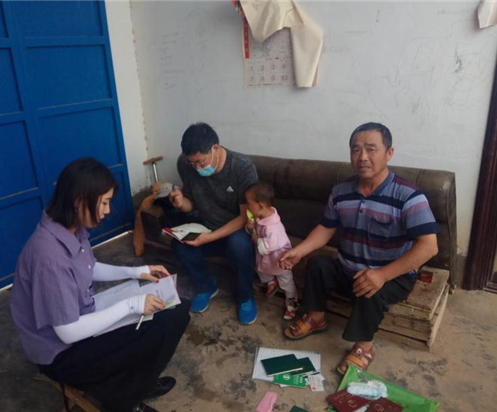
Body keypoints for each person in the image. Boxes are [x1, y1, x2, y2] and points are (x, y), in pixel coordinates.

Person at [10, 158, 191, 412]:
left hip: (84, 316)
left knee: (176, 307)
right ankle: (125, 399)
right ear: (79, 200)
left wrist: (137, 272)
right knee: (164, 323)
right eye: (104, 202)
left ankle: (138, 382)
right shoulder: (48, 256)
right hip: (63, 354)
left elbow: (89, 267)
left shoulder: (68, 226)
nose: (107, 211)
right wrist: (132, 304)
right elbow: (68, 332)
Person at [278, 122, 439, 375]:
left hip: (391, 277)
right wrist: (299, 251)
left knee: (371, 286)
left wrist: (382, 275)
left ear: (389, 153)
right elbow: (326, 227)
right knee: (318, 264)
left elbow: (429, 247)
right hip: (348, 269)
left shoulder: (409, 196)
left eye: (371, 149)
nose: (362, 157)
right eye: (355, 149)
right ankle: (316, 317)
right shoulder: (341, 192)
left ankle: (365, 346)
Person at [169, 122, 259, 324]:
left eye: (201, 162)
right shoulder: (187, 165)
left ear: (215, 148)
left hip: (237, 230)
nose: (197, 168)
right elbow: (191, 204)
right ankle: (206, 286)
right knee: (179, 244)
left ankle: (245, 296)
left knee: (238, 244)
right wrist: (181, 203)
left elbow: (245, 217)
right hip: (206, 226)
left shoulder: (242, 167)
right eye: (192, 163)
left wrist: (209, 238)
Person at [244, 181, 299, 320]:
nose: (247, 206)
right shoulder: (260, 216)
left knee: (287, 283)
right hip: (265, 259)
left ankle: (292, 304)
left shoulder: (274, 228)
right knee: (261, 270)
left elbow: (264, 248)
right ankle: (271, 282)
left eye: (249, 203)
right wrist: (250, 228)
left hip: (280, 260)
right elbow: (254, 231)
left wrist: (255, 238)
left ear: (261, 205)